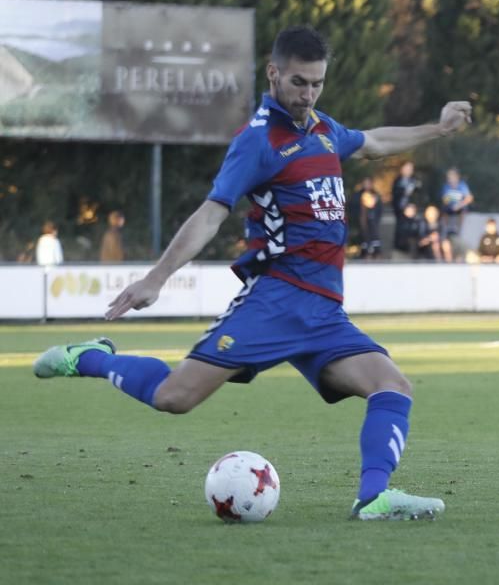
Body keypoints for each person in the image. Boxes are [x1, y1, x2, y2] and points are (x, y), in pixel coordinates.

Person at [33, 26, 471, 521]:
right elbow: (211, 212)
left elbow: (374, 141)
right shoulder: (257, 141)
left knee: (393, 386)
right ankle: (89, 357)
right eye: (299, 83)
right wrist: (157, 278)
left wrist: (437, 129)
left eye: (317, 84)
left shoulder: (323, 130)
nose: (308, 95)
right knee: (176, 397)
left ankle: (373, 498)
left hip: (323, 312)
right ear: (273, 73)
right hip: (275, 301)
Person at [440, 167, 473, 245]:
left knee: (464, 209)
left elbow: (469, 198)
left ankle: (459, 230)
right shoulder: (446, 186)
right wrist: (450, 204)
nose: (450, 179)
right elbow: (445, 200)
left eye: (452, 176)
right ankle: (445, 229)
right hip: (450, 207)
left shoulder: (462, 186)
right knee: (444, 209)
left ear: (457, 177)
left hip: (460, 207)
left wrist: (459, 205)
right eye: (449, 177)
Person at [356, 176, 384, 260]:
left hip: (373, 220)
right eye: (365, 183)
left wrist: (375, 216)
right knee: (364, 236)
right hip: (362, 220)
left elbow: (379, 208)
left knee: (374, 236)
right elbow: (354, 207)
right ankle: (365, 252)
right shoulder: (358, 195)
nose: (367, 185)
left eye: (368, 183)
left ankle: (376, 252)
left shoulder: (376, 195)